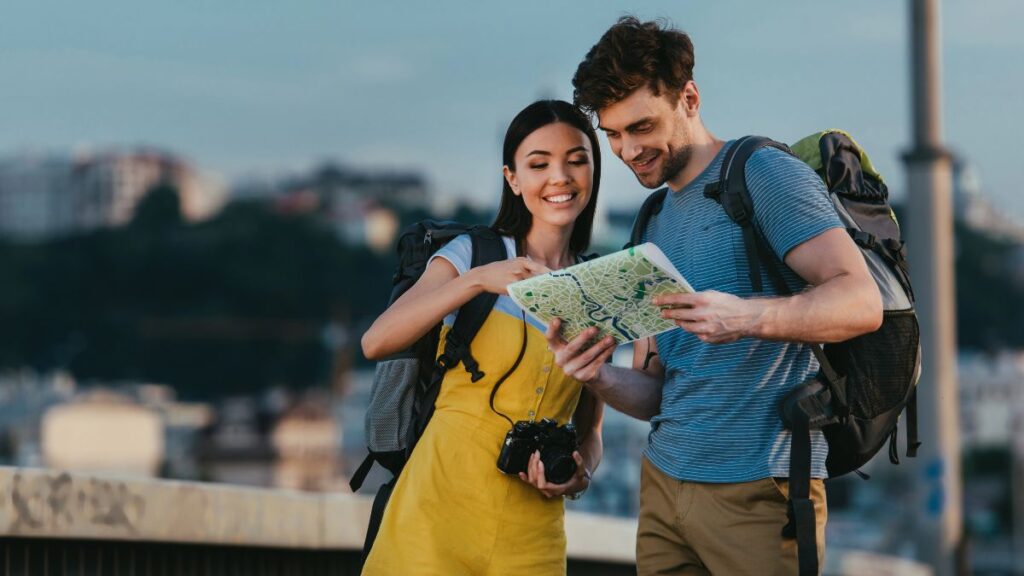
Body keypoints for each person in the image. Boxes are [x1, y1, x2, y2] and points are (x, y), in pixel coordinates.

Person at [545, 17, 884, 576]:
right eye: (613, 134)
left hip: (760, 491)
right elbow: (655, 391)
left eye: (641, 126)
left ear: (689, 97)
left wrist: (744, 317)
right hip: (662, 488)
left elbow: (860, 302)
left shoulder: (764, 174)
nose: (628, 150)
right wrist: (596, 376)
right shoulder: (651, 220)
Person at [360, 99, 605, 575]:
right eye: (539, 164)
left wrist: (580, 475)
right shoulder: (474, 253)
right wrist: (476, 281)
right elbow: (376, 341)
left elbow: (590, 428)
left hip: (532, 536)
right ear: (512, 179)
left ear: (593, 172)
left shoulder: (597, 288)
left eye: (577, 160)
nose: (560, 177)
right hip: (433, 518)